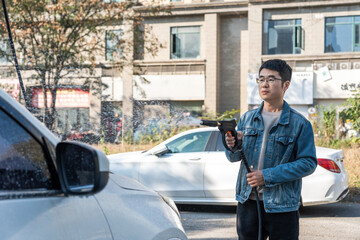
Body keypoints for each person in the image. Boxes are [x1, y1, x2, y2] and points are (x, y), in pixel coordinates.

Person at [225, 59, 317, 240]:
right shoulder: (247, 119)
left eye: (271, 79)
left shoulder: (300, 124)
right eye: (261, 79)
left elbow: (308, 163)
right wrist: (233, 145)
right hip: (247, 203)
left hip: (282, 206)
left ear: (285, 85)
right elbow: (233, 157)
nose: (264, 84)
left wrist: (267, 176)